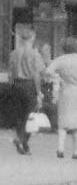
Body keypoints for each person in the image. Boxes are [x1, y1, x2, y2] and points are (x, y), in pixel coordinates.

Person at [8, 26, 47, 156]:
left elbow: (11, 74)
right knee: (30, 116)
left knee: (19, 116)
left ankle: (23, 144)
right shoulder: (35, 54)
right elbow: (37, 74)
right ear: (32, 37)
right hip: (29, 85)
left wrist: (12, 84)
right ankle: (22, 140)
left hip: (16, 85)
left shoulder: (14, 53)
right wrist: (39, 91)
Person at [51, 37, 77, 160]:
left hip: (65, 92)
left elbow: (48, 71)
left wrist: (59, 78)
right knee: (76, 123)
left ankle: (60, 148)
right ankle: (76, 151)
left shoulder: (60, 60)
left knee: (63, 123)